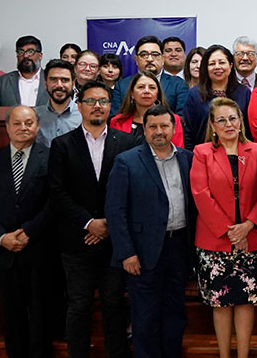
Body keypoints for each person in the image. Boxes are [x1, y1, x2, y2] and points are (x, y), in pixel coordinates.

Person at [47, 80, 142, 358]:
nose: (97, 106)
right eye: (90, 101)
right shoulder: (62, 144)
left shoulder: (127, 143)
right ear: (80, 106)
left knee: (114, 303)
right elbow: (56, 191)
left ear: (111, 106)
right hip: (77, 239)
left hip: (116, 241)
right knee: (78, 304)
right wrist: (90, 223)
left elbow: (133, 190)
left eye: (102, 101)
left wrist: (109, 225)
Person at [106, 103, 196, 358]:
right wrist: (126, 253)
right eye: (153, 126)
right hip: (142, 252)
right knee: (144, 317)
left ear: (173, 127)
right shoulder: (126, 161)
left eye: (164, 126)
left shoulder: (187, 159)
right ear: (144, 130)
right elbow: (115, 210)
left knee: (175, 313)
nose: (159, 131)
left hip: (179, 247)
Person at [190, 97, 257, 358]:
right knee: (221, 302)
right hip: (214, 242)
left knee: (246, 301)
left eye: (232, 118)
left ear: (241, 121)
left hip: (253, 238)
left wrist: (247, 227)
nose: (228, 124)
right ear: (212, 125)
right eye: (221, 119)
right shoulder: (202, 152)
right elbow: (201, 194)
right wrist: (230, 232)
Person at [0, 105, 54, 358]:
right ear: (7, 127)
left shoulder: (51, 157)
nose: (23, 128)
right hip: (3, 250)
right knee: (11, 312)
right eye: (17, 123)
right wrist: (2, 237)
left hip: (39, 248)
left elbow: (55, 203)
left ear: (37, 126)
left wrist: (28, 231)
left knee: (41, 312)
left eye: (28, 123)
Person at [185, 45, 252, 149]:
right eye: (212, 64)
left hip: (239, 154)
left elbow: (250, 129)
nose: (217, 67)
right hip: (205, 155)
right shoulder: (194, 94)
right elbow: (188, 132)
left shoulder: (244, 93)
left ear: (230, 66)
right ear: (206, 68)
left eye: (222, 62)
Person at [112, 35, 189, 116]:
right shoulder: (122, 86)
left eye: (155, 54)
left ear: (162, 59)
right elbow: (115, 119)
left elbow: (182, 118)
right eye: (144, 54)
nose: (149, 59)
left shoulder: (178, 85)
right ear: (136, 60)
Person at [111, 71, 185, 147]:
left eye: (152, 88)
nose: (146, 91)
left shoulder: (173, 120)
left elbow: (178, 152)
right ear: (132, 94)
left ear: (157, 94)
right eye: (141, 87)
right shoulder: (117, 121)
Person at [0, 35, 50, 108]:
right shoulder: (3, 81)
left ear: (40, 56)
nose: (25, 56)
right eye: (21, 51)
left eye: (30, 51)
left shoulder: (50, 79)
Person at [37, 59, 82, 146]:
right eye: (53, 80)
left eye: (65, 80)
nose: (59, 85)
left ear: (73, 84)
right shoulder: (34, 116)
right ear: (46, 84)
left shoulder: (84, 115)